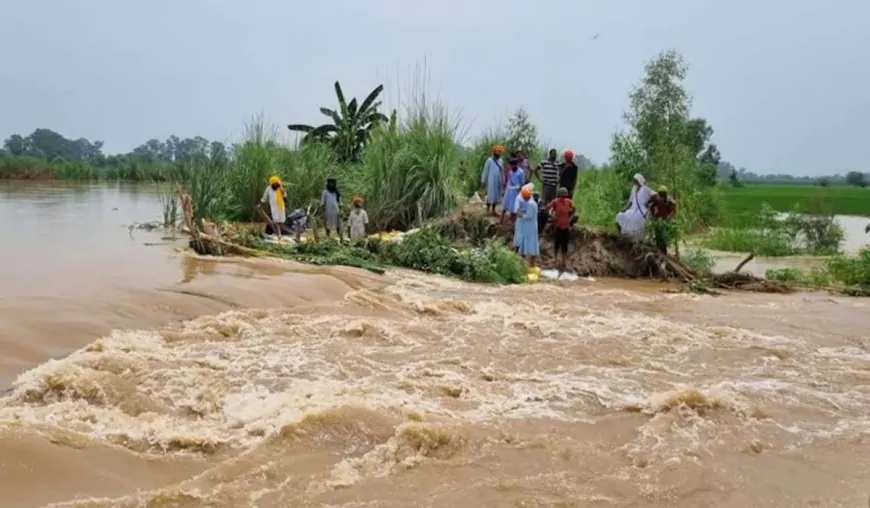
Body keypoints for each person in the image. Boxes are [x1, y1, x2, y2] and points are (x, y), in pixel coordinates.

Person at [615, 173, 653, 242]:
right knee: (619, 215)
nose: (634, 182)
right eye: (634, 180)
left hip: (642, 211)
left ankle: (637, 240)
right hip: (632, 209)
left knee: (636, 220)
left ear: (639, 180)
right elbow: (630, 201)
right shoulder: (634, 189)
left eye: (635, 180)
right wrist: (625, 208)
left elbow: (655, 195)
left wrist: (648, 203)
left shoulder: (645, 189)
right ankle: (620, 235)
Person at [547, 187, 575, 271]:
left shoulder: (569, 202)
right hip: (558, 226)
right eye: (562, 195)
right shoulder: (555, 201)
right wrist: (552, 217)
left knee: (564, 245)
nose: (563, 197)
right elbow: (547, 208)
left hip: (565, 226)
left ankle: (564, 261)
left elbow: (574, 210)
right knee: (557, 244)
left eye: (564, 195)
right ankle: (555, 260)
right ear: (559, 195)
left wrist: (570, 218)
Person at [514, 187, 540, 267]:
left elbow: (529, 216)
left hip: (530, 228)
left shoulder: (530, 204)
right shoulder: (532, 203)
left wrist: (520, 214)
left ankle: (530, 264)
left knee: (530, 245)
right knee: (532, 245)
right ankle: (531, 264)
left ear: (525, 196)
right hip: (531, 226)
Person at [649, 186, 677, 254]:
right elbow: (651, 207)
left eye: (662, 194)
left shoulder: (670, 201)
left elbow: (673, 211)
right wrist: (653, 216)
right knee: (658, 238)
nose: (661, 195)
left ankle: (664, 253)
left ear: (665, 194)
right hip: (657, 221)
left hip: (665, 222)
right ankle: (659, 252)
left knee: (663, 238)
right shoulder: (657, 200)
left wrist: (668, 218)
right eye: (660, 194)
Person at [480, 145, 505, 215]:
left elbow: (502, 171)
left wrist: (503, 180)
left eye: (500, 152)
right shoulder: (489, 160)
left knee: (496, 196)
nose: (499, 153)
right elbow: (485, 171)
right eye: (497, 152)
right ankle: (487, 210)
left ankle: (493, 210)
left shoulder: (501, 161)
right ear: (494, 152)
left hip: (498, 180)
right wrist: (483, 180)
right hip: (491, 180)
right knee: (490, 195)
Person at [501, 157, 525, 223]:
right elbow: (509, 181)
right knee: (506, 206)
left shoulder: (521, 172)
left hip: (516, 191)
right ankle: (503, 221)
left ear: (517, 164)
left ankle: (517, 222)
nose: (512, 166)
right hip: (509, 190)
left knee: (516, 207)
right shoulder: (510, 172)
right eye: (511, 165)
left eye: (514, 165)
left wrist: (520, 191)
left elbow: (522, 183)